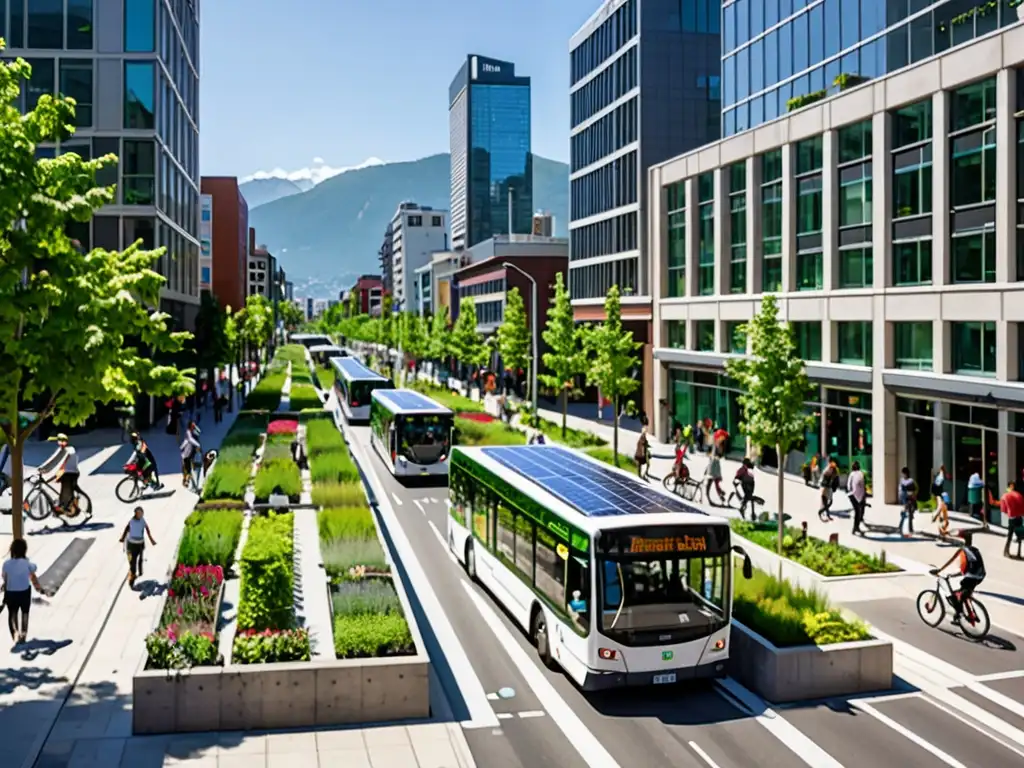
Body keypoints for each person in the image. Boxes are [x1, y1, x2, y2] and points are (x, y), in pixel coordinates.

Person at [932, 531, 986, 627]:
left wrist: (939, 570)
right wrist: (955, 574)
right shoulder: (975, 550)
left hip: (971, 576)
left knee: (960, 595)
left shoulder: (963, 550)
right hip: (980, 576)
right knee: (964, 592)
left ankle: (959, 615)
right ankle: (972, 613)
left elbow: (951, 560)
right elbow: (972, 565)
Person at [2, 538, 47, 645]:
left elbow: (5, 578)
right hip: (24, 592)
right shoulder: (27, 563)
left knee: (12, 612)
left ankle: (15, 633)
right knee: (25, 612)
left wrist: (4, 586)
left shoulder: (6, 564)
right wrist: (38, 588)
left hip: (11, 592)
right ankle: (24, 633)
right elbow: (33, 574)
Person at [38, 433, 80, 514]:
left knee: (65, 490)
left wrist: (45, 469)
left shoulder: (68, 450)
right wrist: (42, 468)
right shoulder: (63, 449)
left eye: (61, 441)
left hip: (70, 473)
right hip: (66, 471)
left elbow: (56, 461)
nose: (59, 443)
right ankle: (61, 505)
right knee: (56, 485)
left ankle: (65, 508)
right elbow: (52, 459)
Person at [119, 506, 157, 589]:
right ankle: (132, 577)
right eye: (139, 513)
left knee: (140, 558)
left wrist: (151, 539)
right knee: (131, 561)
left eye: (142, 513)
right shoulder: (132, 521)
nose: (141, 515)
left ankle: (138, 572)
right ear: (135, 514)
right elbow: (126, 529)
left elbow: (147, 529)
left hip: (140, 544)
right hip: (130, 545)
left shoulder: (142, 521)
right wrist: (122, 538)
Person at [1000, 481, 1024, 558]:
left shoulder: (1005, 496)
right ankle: (1018, 553)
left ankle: (1006, 551)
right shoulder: (1019, 495)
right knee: (1019, 536)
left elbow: (1003, 509)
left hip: (1012, 517)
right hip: (1019, 517)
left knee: (1010, 535)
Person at [847, 461, 867, 535]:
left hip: (851, 494)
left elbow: (849, 486)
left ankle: (856, 528)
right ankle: (855, 528)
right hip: (854, 495)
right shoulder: (860, 474)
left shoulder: (851, 474)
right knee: (858, 511)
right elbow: (862, 485)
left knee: (858, 511)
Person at [180, 421, 202, 488]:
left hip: (192, 453)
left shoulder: (194, 432)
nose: (194, 426)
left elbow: (199, 432)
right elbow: (190, 439)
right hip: (186, 453)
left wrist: (196, 427)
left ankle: (188, 481)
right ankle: (186, 480)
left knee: (189, 468)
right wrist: (198, 445)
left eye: (194, 425)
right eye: (193, 425)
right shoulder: (188, 432)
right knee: (185, 468)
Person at [898, 467, 918, 537]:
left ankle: (905, 528)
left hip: (908, 500)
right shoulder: (907, 481)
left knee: (909, 515)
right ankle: (904, 528)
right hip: (907, 500)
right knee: (907, 515)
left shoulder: (909, 481)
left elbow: (914, 490)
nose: (903, 474)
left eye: (903, 473)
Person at [818, 458, 838, 522]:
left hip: (828, 488)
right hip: (825, 488)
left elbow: (834, 481)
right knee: (825, 502)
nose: (832, 469)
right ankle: (823, 513)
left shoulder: (832, 473)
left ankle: (823, 512)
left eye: (833, 468)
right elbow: (823, 482)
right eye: (831, 468)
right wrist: (823, 491)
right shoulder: (826, 473)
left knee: (829, 502)